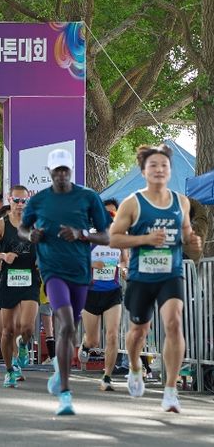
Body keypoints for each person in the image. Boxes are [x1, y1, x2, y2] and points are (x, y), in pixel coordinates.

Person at [109, 144, 202, 413]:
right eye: (153, 165)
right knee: (139, 331)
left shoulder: (181, 202)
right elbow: (114, 239)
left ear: (170, 171)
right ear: (144, 171)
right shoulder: (132, 203)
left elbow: (187, 234)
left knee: (174, 322)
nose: (159, 169)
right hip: (141, 275)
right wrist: (145, 239)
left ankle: (170, 390)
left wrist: (193, 242)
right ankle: (135, 366)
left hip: (171, 273)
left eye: (164, 165)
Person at [18, 149, 110, 415]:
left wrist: (82, 234)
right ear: (49, 172)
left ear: (71, 171)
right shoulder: (39, 200)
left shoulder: (88, 197)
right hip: (52, 270)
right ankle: (66, 395)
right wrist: (31, 235)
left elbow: (106, 236)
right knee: (66, 323)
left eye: (65, 170)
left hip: (79, 271)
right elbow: (23, 228)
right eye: (56, 170)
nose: (60, 175)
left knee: (71, 330)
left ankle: (61, 369)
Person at [0, 185, 40, 387]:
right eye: (16, 200)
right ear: (9, 200)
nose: (20, 204)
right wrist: (3, 256)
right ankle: (9, 370)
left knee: (27, 327)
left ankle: (24, 343)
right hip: (8, 280)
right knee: (8, 330)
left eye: (23, 201)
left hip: (30, 278)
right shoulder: (1, 224)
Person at [78, 200, 127, 391]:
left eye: (113, 215)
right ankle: (85, 345)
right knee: (94, 340)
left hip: (112, 293)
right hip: (91, 293)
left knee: (113, 335)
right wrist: (91, 264)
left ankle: (107, 377)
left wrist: (124, 269)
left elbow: (124, 260)